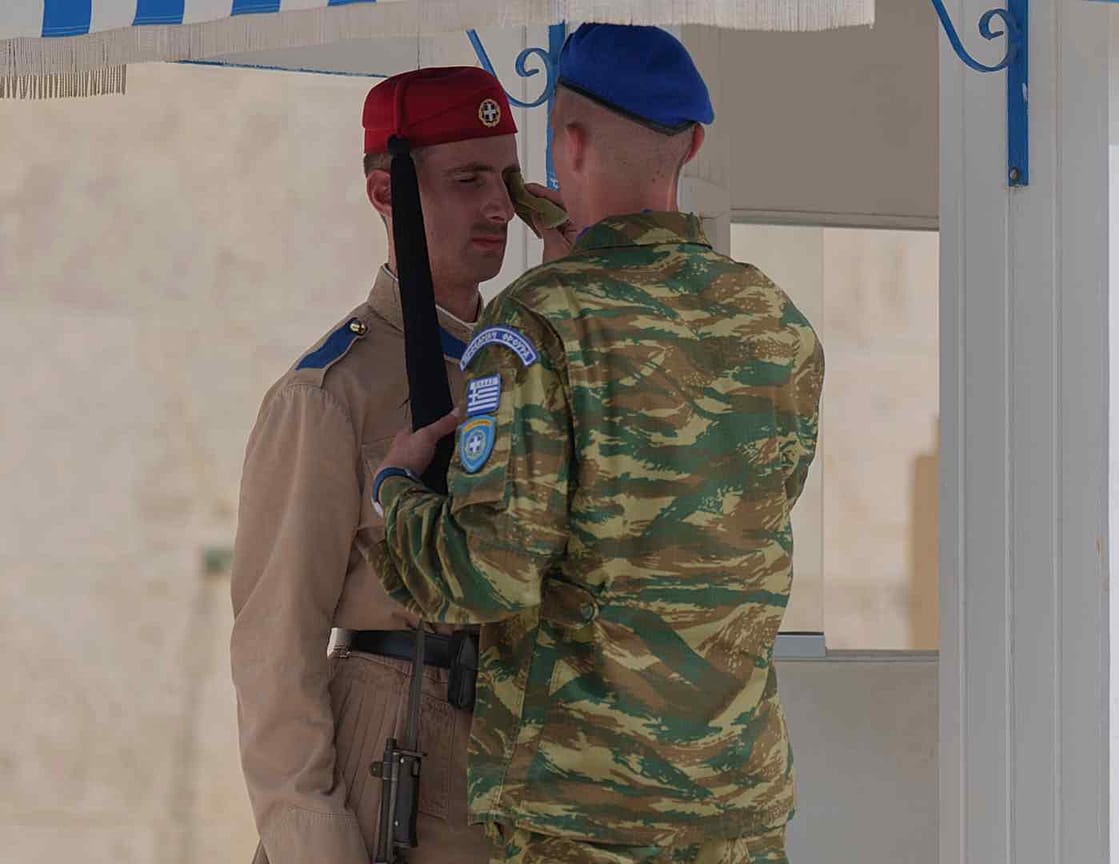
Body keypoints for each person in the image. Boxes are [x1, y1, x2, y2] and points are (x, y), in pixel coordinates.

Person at [367, 23, 825, 864]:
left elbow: (487, 574)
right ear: (691, 143)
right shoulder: (776, 323)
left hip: (587, 814)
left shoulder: (536, 324)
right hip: (738, 806)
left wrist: (395, 492)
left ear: (567, 144)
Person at [229, 65, 520, 864]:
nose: (499, 206)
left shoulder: (527, 366)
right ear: (387, 193)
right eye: (467, 179)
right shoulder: (330, 394)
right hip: (392, 752)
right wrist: (315, 844)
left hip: (511, 772)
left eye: (508, 178)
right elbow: (275, 652)